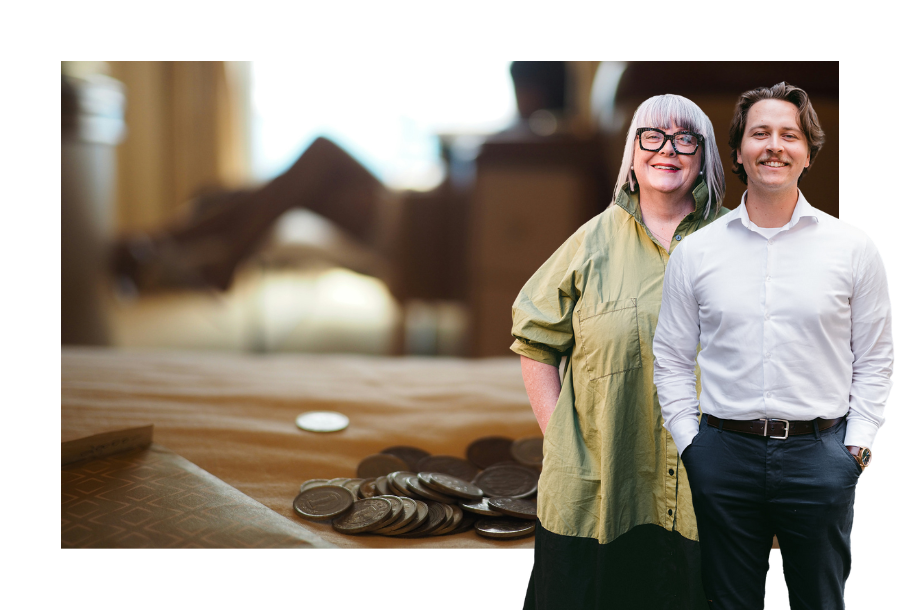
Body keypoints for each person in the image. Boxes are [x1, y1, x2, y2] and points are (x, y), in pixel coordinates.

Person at [653, 82, 893, 609]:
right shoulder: (696, 253)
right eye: (760, 133)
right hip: (723, 456)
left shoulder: (852, 249)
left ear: (808, 153)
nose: (774, 145)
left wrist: (856, 447)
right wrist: (693, 446)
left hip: (821, 456)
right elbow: (670, 357)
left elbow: (875, 357)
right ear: (738, 150)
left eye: (790, 134)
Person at [511, 94, 728, 609]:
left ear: (705, 155)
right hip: (600, 494)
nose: (667, 150)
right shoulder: (591, 243)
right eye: (650, 136)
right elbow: (535, 341)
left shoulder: (740, 241)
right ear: (632, 154)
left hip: (707, 500)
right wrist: (561, 437)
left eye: (684, 138)